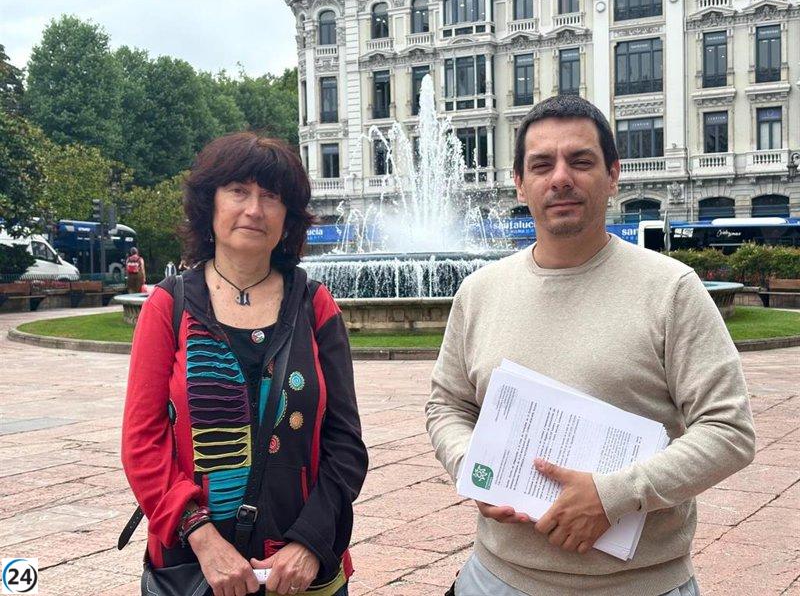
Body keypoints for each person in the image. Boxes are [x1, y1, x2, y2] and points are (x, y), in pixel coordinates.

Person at [425, 96, 755, 596]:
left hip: (640, 585)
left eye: (580, 161)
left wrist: (613, 496)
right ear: (519, 182)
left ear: (613, 174)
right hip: (494, 578)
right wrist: (473, 464)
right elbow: (447, 404)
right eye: (541, 164)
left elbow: (729, 431)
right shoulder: (479, 292)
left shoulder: (671, 289)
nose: (560, 178)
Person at [122, 133, 368, 596]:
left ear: (287, 218)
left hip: (300, 572)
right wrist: (202, 537)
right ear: (208, 204)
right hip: (191, 565)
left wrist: (309, 543)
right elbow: (142, 443)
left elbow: (345, 444)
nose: (254, 209)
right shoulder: (168, 306)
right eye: (238, 191)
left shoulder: (314, 305)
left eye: (271, 196)